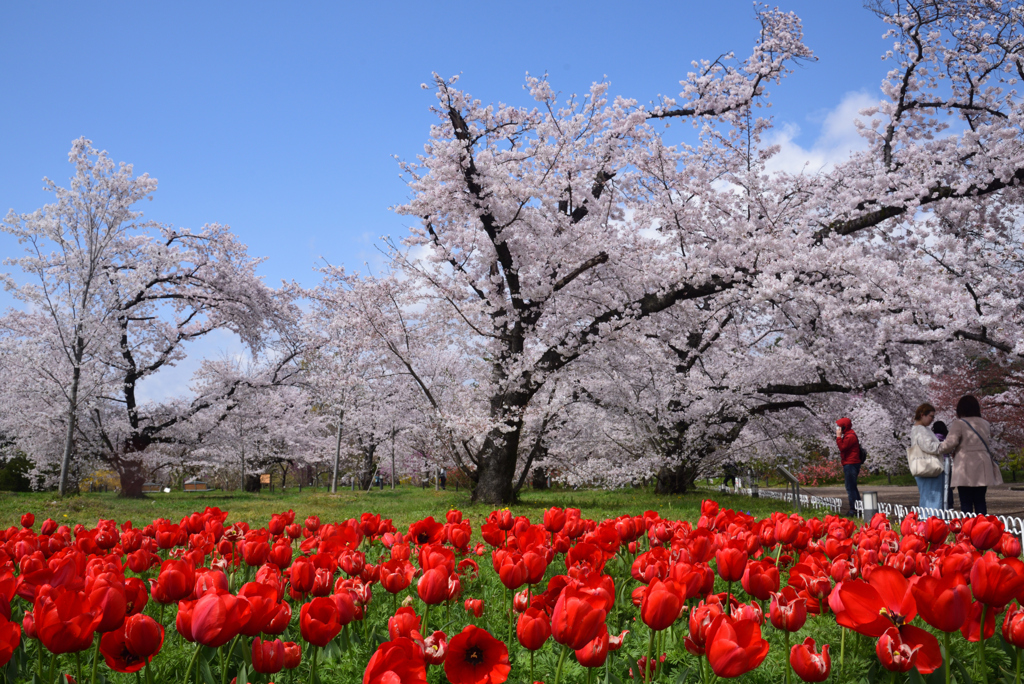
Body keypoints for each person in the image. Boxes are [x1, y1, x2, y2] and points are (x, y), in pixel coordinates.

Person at [937, 395, 1003, 514]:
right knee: (980, 500)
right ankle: (982, 528)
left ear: (961, 409)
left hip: (965, 464)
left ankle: (968, 529)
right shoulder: (985, 423)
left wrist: (937, 448)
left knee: (966, 501)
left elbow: (950, 443)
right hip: (983, 463)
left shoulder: (959, 423)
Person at [908, 403, 944, 510]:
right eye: (931, 416)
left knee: (926, 498)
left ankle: (926, 523)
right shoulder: (921, 429)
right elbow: (929, 447)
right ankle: (933, 523)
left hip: (923, 467)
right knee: (933, 498)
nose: (932, 419)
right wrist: (944, 446)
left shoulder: (919, 428)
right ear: (922, 414)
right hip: (929, 467)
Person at [835, 417, 862, 517]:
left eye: (839, 427)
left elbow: (842, 448)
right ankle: (857, 509)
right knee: (852, 487)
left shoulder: (850, 436)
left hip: (851, 464)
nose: (837, 429)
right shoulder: (848, 435)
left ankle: (854, 510)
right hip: (850, 463)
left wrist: (838, 437)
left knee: (850, 488)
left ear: (844, 427)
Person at [932, 420, 954, 509]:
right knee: (947, 485)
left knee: (938, 485)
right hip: (947, 462)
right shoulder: (947, 438)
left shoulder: (933, 438)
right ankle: (949, 504)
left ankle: (939, 504)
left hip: (937, 462)